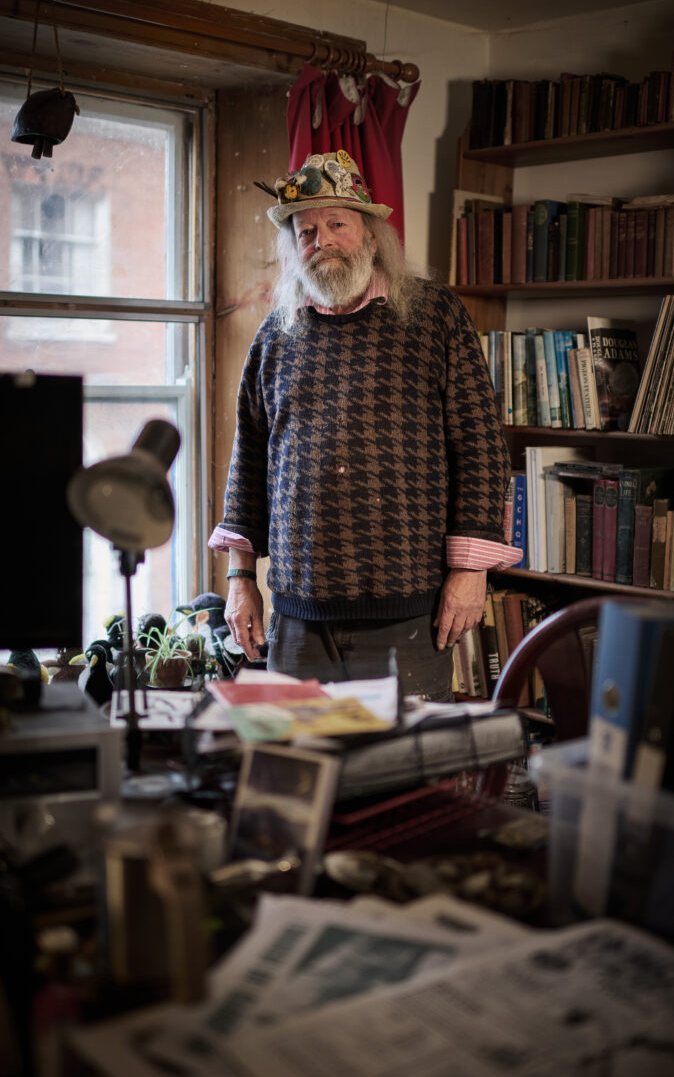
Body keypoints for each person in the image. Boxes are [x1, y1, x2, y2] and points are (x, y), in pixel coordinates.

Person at [209, 150, 522, 700]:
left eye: (337, 225)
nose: (321, 241)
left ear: (372, 237)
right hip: (298, 615)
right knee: (303, 772)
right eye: (305, 232)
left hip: (409, 610)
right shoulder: (274, 335)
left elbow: (480, 445)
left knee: (400, 776)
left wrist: (471, 574)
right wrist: (240, 580)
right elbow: (249, 460)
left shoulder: (433, 316)